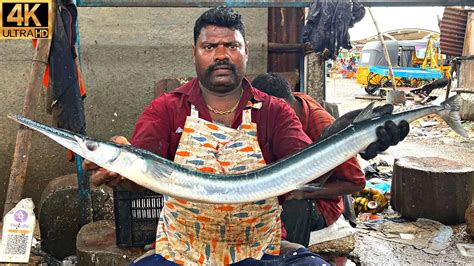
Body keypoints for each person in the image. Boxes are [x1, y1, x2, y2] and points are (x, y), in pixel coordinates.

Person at [84, 7, 407, 265]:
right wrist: (117, 175)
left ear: (245, 52)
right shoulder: (166, 109)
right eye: (210, 46)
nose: (221, 55)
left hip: (261, 248)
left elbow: (309, 167)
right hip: (182, 250)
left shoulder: (275, 110)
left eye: (231, 46)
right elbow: (142, 177)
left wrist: (354, 140)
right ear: (195, 53)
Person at [251, 72, 408, 246]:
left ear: (280, 105)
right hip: (288, 184)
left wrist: (304, 193)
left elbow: (356, 183)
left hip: (321, 203)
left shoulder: (321, 126)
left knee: (292, 208)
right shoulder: (293, 104)